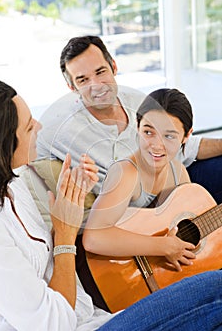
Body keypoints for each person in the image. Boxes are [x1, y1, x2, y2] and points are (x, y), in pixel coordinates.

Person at [0, 80, 222, 331]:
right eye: (28, 128)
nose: (39, 126)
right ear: (1, 146)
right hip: (83, 322)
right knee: (216, 287)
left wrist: (73, 201)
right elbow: (53, 324)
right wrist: (66, 235)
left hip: (94, 314)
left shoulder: (13, 183)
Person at [36, 35, 222, 205]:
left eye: (100, 72)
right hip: (140, 211)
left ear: (114, 67)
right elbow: (21, 145)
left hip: (178, 179)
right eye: (83, 80)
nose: (97, 86)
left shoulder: (137, 100)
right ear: (72, 87)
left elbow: (186, 145)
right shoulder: (60, 129)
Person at [83, 88, 196, 270]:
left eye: (169, 136)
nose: (156, 145)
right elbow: (93, 238)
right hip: (121, 274)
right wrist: (164, 246)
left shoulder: (179, 172)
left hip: (161, 273)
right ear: (137, 126)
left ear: (186, 135)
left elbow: (189, 227)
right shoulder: (126, 174)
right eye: (148, 132)